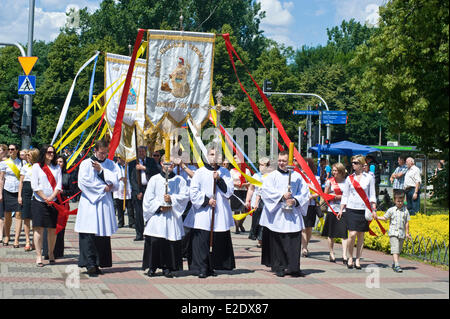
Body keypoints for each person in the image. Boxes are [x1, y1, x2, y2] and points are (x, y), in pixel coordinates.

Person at [184, 146, 235, 278]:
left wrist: (219, 179)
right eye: (211, 154)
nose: (214, 157)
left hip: (219, 212)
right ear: (207, 156)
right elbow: (193, 192)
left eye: (217, 154)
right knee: (202, 241)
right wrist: (207, 201)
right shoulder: (200, 172)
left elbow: (229, 191)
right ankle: (201, 268)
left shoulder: (225, 172)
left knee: (215, 241)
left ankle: (212, 266)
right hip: (203, 211)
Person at [259, 150, 310, 277]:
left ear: (290, 162)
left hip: (292, 213)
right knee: (278, 242)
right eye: (280, 161)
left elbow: (305, 193)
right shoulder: (272, 176)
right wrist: (281, 196)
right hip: (277, 214)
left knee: (293, 241)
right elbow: (265, 192)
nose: (281, 163)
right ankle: (279, 267)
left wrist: (295, 200)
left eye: (284, 161)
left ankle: (294, 268)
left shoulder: (297, 177)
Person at [74, 139, 119, 276]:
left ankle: (99, 262)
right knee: (88, 233)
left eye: (105, 153)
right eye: (101, 153)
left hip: (104, 202)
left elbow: (116, 181)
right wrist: (102, 188)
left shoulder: (110, 164)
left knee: (102, 233)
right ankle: (90, 263)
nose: (103, 156)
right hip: (90, 202)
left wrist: (101, 171)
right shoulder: (86, 164)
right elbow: (83, 182)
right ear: (95, 150)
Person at [142, 156, 190, 278]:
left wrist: (172, 199)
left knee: (170, 242)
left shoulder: (180, 180)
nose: (169, 165)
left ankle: (168, 267)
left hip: (172, 215)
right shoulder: (154, 179)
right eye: (167, 162)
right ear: (162, 163)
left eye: (172, 163)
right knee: (156, 241)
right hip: (158, 215)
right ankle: (152, 266)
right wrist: (159, 206)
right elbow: (148, 199)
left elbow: (185, 196)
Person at [339, 155, 377, 270]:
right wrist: (341, 209)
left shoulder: (369, 178)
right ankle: (350, 257)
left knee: (361, 235)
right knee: (352, 234)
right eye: (353, 163)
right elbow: (345, 195)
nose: (353, 164)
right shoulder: (349, 178)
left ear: (361, 164)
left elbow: (372, 195)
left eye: (356, 162)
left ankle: (358, 259)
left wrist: (374, 209)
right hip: (351, 208)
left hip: (364, 209)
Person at [30, 145, 62, 267]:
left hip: (53, 202)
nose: (51, 154)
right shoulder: (37, 166)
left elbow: (59, 185)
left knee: (52, 229)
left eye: (53, 152)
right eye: (49, 152)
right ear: (44, 153)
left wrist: (51, 197)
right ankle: (39, 255)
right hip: (39, 201)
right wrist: (44, 197)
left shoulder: (57, 167)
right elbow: (34, 185)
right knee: (38, 229)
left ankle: (51, 253)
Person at [129, 146, 160, 241]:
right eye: (139, 151)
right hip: (138, 189)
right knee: (138, 213)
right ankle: (139, 234)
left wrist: (144, 168)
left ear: (146, 152)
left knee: (150, 211)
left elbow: (156, 172)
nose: (141, 153)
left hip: (149, 189)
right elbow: (132, 179)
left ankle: (150, 232)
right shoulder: (132, 163)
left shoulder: (151, 161)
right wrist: (137, 192)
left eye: (143, 151)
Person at [376, 190, 411, 273]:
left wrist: (407, 233)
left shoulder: (405, 211)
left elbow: (407, 223)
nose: (400, 203)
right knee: (395, 249)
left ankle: (395, 263)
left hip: (401, 234)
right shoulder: (391, 210)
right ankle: (397, 265)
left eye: (401, 201)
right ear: (394, 200)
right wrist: (377, 217)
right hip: (393, 233)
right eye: (398, 201)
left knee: (398, 250)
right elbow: (385, 218)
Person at [321, 162, 348, 264]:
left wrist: (339, 197)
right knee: (331, 234)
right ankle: (331, 253)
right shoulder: (329, 182)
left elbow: (348, 195)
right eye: (333, 170)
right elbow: (325, 195)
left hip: (343, 210)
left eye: (335, 170)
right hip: (332, 209)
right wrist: (331, 196)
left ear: (341, 171)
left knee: (344, 234)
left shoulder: (346, 182)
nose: (333, 172)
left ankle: (344, 255)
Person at [0, 144, 24, 246]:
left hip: (18, 191)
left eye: (12, 149)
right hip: (7, 190)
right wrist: (0, 193)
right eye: (9, 149)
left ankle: (16, 239)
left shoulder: (22, 163)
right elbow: (1, 179)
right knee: (7, 215)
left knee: (19, 215)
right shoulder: (4, 163)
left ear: (17, 150)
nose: (10, 151)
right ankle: (7, 236)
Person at [18, 148, 39, 251]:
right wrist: (19, 196)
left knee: (35, 217)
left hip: (36, 191)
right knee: (26, 217)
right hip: (26, 191)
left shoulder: (39, 166)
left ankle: (35, 241)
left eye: (29, 155)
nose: (27, 157)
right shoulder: (25, 167)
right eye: (26, 155)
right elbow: (21, 182)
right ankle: (27, 241)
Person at [247, 157, 271, 248]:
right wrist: (247, 201)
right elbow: (251, 189)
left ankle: (262, 240)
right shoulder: (256, 176)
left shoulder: (271, 176)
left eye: (262, 165)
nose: (260, 167)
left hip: (267, 203)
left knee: (264, 222)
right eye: (259, 165)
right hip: (256, 203)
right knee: (256, 221)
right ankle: (258, 238)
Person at [301, 158, 320, 258]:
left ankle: (306, 245)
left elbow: (318, 192)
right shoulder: (299, 177)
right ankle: (304, 247)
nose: (305, 168)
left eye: (307, 166)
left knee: (309, 228)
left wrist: (311, 197)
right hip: (301, 205)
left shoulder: (316, 178)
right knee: (303, 227)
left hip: (311, 205)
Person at [230, 154, 251, 234]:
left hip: (244, 191)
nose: (235, 159)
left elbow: (250, 182)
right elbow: (230, 182)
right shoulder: (232, 171)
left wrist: (244, 185)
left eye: (236, 158)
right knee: (236, 211)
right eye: (234, 158)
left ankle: (240, 224)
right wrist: (237, 184)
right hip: (236, 192)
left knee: (244, 211)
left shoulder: (246, 171)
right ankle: (237, 228)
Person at [113, 157, 134, 228]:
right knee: (119, 207)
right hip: (118, 188)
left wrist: (126, 179)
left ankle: (131, 222)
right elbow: (113, 176)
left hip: (127, 187)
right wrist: (120, 178)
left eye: (120, 158)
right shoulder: (114, 166)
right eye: (118, 158)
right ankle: (121, 222)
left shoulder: (128, 166)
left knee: (130, 207)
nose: (119, 159)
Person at [0, 144, 7, 243]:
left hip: (1, 189)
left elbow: (1, 179)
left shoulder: (4, 163)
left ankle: (1, 234)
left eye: (0, 150)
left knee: (1, 214)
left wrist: (0, 192)